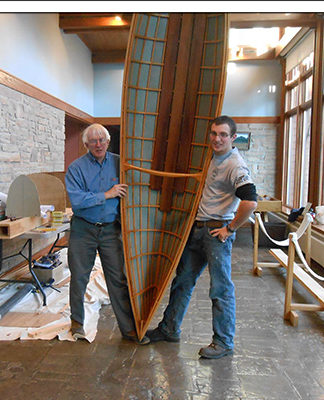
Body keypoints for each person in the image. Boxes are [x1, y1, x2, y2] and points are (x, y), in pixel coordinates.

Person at [145, 115, 258, 358]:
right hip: (197, 230)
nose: (217, 139)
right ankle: (169, 329)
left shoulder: (235, 165)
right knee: (182, 282)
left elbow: (250, 202)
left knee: (220, 289)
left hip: (217, 234)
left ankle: (224, 342)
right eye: (214, 134)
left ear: (232, 137)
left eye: (223, 135)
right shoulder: (210, 158)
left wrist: (230, 229)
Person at [65, 123, 149, 345]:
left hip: (111, 229)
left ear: (108, 141)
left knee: (118, 279)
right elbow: (78, 202)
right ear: (86, 144)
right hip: (84, 228)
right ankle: (77, 324)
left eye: (102, 139)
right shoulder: (76, 168)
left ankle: (129, 329)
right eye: (93, 141)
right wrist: (107, 194)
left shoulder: (120, 164)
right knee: (79, 277)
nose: (98, 144)